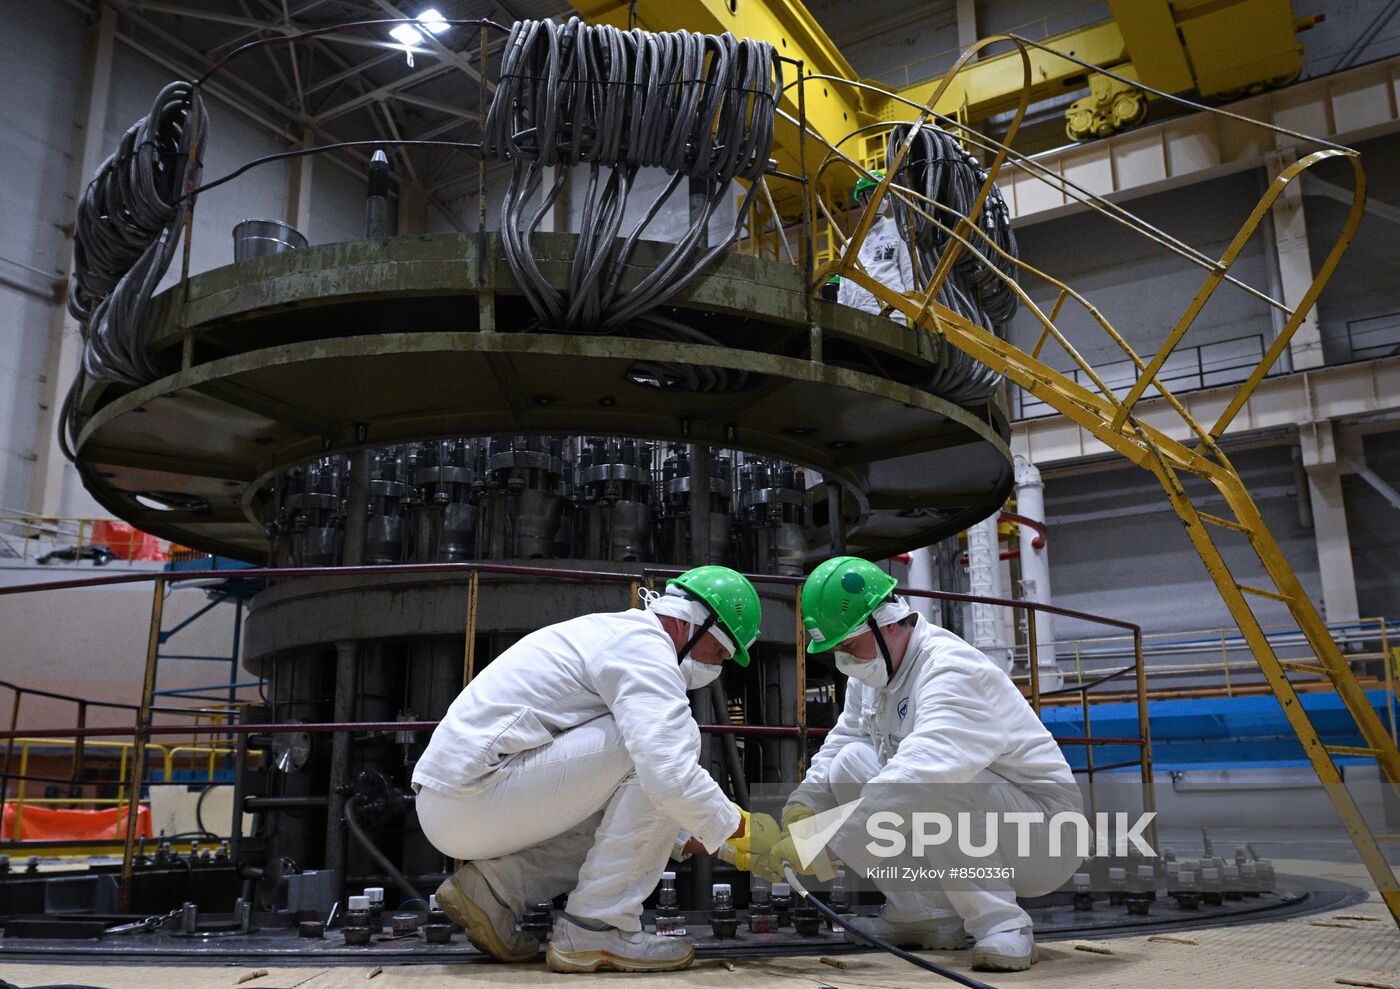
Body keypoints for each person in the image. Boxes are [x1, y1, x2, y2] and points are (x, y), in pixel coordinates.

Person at [412, 565, 775, 973]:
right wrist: (744, 830)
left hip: (461, 801)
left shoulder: (620, 636)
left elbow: (637, 820)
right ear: (691, 622)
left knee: (631, 790)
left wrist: (728, 842)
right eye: (721, 651)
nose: (719, 665)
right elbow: (666, 775)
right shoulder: (644, 648)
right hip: (473, 795)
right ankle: (598, 928)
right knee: (669, 746)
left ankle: (493, 891)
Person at [760, 556, 1084, 972]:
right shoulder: (873, 674)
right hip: (987, 818)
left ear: (889, 622)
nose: (845, 660)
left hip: (1044, 836)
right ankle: (923, 912)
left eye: (849, 646)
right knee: (849, 764)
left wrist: (823, 843)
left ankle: (1003, 926)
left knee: (941, 783)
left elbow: (926, 770)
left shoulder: (950, 668)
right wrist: (804, 807)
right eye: (837, 650)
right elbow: (845, 741)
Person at [836, 169, 916, 321]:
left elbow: (909, 275)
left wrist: (913, 317)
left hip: (893, 316)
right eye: (873, 193)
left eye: (884, 194)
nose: (882, 200)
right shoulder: (849, 245)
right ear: (860, 200)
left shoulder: (898, 230)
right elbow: (844, 291)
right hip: (857, 320)